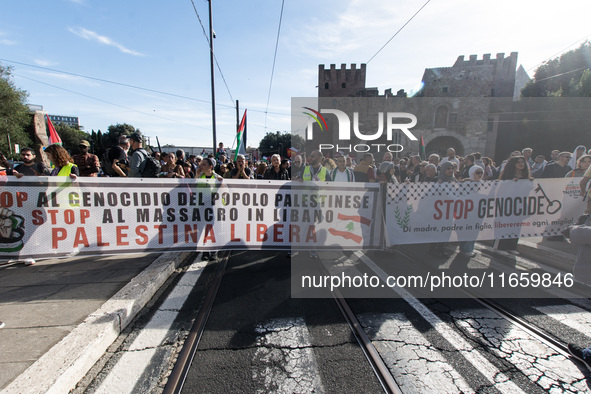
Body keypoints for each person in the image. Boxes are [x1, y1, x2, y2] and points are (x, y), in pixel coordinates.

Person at [495, 156, 531, 255]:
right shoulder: (507, 177)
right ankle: (500, 247)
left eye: (522, 162)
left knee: (516, 226)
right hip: (507, 205)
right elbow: (500, 190)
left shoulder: (526, 177)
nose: (521, 164)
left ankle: (511, 246)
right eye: (518, 162)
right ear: (513, 164)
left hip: (520, 205)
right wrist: (510, 183)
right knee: (505, 225)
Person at [459, 166, 484, 257]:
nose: (480, 175)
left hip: (478, 211)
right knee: (465, 229)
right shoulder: (466, 183)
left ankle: (469, 248)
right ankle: (464, 248)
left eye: (481, 172)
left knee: (474, 229)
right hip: (466, 210)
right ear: (472, 173)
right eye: (477, 173)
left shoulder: (485, 184)